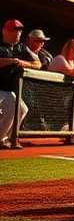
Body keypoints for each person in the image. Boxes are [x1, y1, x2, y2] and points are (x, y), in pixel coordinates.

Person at [0, 20, 39, 149]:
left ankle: (5, 138)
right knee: (11, 109)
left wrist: (20, 63)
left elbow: (37, 64)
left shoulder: (21, 47)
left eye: (19, 31)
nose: (17, 33)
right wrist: (11, 61)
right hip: (1, 88)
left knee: (22, 109)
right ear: (4, 31)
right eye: (14, 30)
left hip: (9, 89)